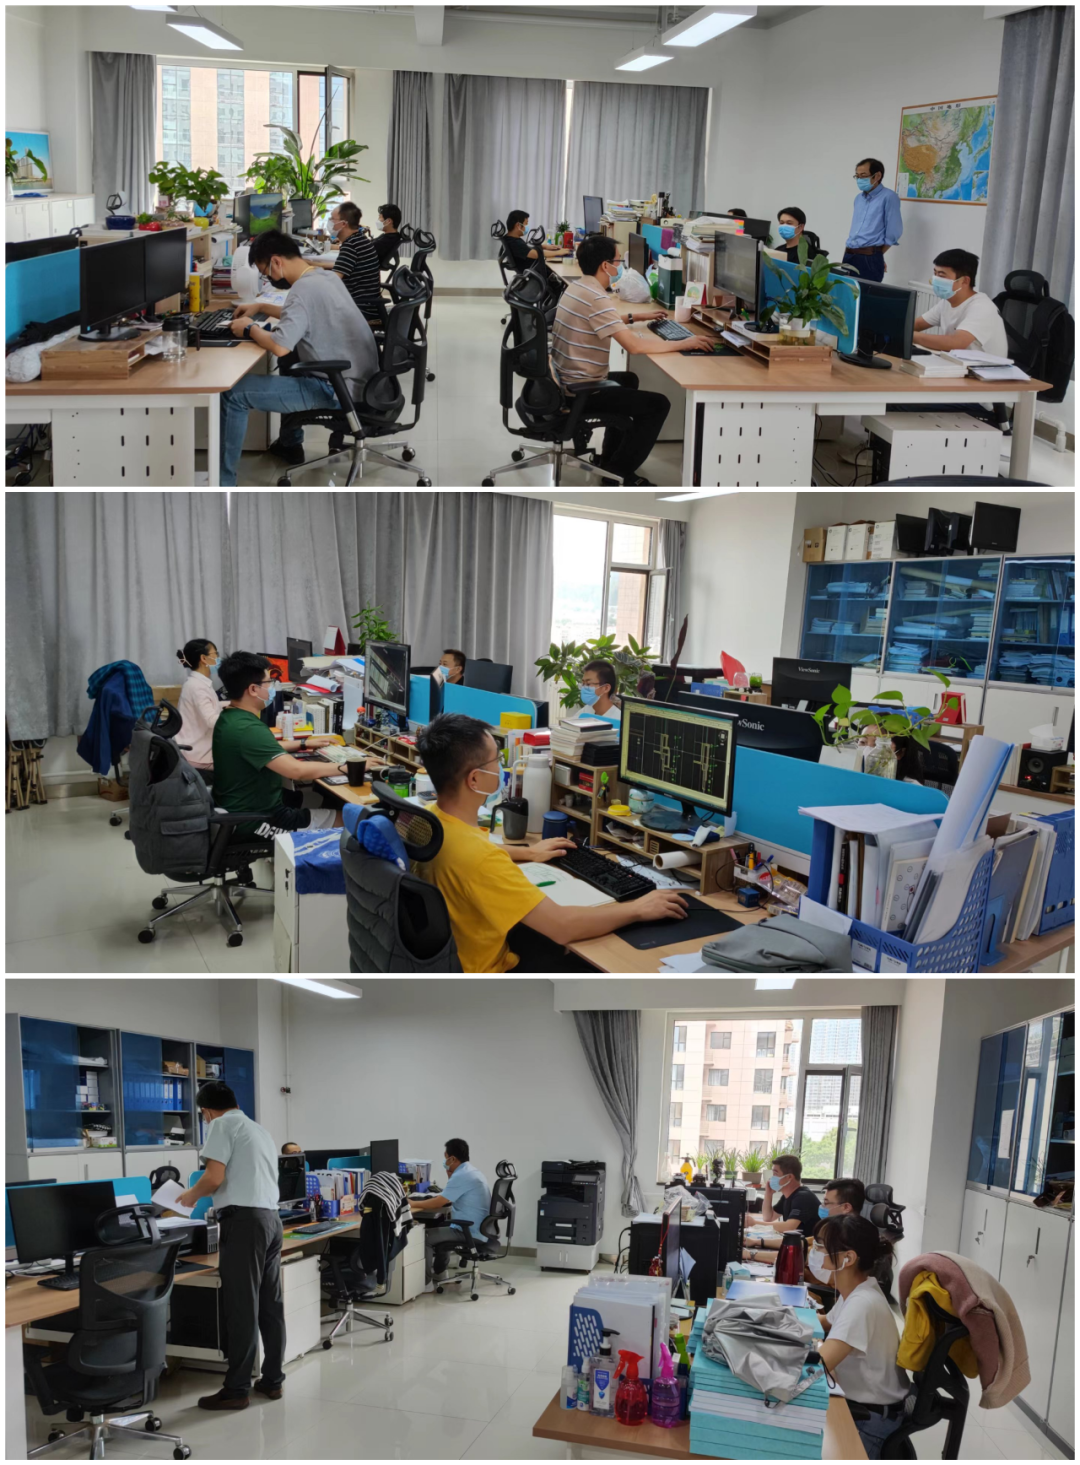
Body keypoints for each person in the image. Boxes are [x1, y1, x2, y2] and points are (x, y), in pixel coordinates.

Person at [415, 713, 687, 972]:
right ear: (475, 779)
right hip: (489, 974)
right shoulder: (481, 860)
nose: (500, 767)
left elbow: (471, 848)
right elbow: (562, 926)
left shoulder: (428, 820)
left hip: (450, 960)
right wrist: (637, 909)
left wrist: (529, 853)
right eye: (496, 759)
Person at [221, 230, 379, 484]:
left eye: (265, 273)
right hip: (363, 381)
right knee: (289, 361)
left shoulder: (302, 290)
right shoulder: (324, 276)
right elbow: (301, 313)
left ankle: (224, 483)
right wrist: (260, 307)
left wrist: (249, 328)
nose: (268, 278)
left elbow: (280, 346)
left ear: (276, 262)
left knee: (233, 393)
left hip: (337, 388)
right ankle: (290, 444)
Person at [177, 1081, 286, 1411]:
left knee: (241, 1306)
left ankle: (236, 1389)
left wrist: (188, 1197)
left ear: (207, 1112)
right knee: (270, 1305)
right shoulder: (259, 1130)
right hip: (271, 1220)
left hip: (244, 1223)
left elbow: (213, 1178)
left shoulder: (222, 1125)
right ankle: (272, 1381)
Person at [550, 233, 689, 487]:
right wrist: (684, 342)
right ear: (605, 265)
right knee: (658, 405)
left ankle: (609, 459)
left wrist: (635, 317)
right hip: (580, 389)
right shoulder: (597, 298)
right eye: (618, 261)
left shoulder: (578, 288)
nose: (620, 266)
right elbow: (634, 346)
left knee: (628, 379)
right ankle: (620, 471)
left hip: (564, 380)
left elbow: (597, 319)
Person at [211, 651, 344, 835]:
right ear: (253, 689)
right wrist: (349, 766)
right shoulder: (248, 729)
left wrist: (303, 743)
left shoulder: (230, 717)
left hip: (241, 807)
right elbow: (297, 771)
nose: (272, 687)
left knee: (316, 798)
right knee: (350, 819)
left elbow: (260, 750)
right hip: (256, 822)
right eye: (269, 682)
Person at [812, 1214, 909, 1458]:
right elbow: (824, 1322)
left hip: (869, 1421)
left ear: (848, 1258)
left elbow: (820, 1365)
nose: (816, 1249)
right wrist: (779, 1315)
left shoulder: (862, 1303)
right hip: (862, 1406)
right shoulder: (859, 1289)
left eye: (822, 1245)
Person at [408, 1137, 492, 1283]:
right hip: (480, 1228)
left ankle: (425, 1283)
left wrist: (412, 1203)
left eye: (445, 1157)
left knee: (424, 1237)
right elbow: (449, 1196)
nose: (444, 1161)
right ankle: (440, 1274)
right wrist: (450, 1177)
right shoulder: (471, 1171)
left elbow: (439, 1202)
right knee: (440, 1226)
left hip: (468, 1230)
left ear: (452, 1158)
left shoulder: (462, 1175)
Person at [912, 249, 1009, 357]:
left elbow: (956, 343)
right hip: (956, 362)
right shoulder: (947, 302)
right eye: (935, 274)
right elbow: (917, 324)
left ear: (965, 281)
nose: (935, 280)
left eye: (942, 276)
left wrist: (910, 335)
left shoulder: (982, 307)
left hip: (983, 367)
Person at [743, 1154, 820, 1260]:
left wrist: (755, 1223)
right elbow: (768, 1217)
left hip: (808, 1252)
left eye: (775, 1174)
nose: (772, 1178)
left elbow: (789, 1227)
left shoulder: (803, 1197)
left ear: (789, 1177)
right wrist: (768, 1194)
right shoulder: (788, 1196)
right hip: (796, 1245)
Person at [317, 201, 382, 320]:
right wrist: (313, 265)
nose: (329, 222)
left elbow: (333, 280)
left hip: (359, 309)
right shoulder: (360, 239)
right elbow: (342, 268)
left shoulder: (351, 245)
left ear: (343, 224)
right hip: (367, 304)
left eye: (332, 219)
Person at [843, 158, 902, 282]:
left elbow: (893, 233)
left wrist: (877, 256)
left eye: (863, 176)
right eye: (857, 176)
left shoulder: (889, 197)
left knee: (866, 293)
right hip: (849, 255)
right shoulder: (858, 198)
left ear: (877, 176)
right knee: (845, 292)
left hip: (869, 257)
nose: (859, 180)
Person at [175, 638, 223, 778]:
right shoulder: (198, 687)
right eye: (215, 654)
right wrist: (237, 718)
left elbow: (210, 705)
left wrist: (231, 704)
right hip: (198, 755)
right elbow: (211, 720)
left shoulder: (196, 683)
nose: (218, 658)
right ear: (203, 658)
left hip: (191, 748)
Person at [502, 209, 564, 274]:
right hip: (535, 273)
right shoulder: (515, 243)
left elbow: (526, 249)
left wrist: (544, 246)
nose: (527, 227)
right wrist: (559, 252)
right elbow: (536, 254)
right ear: (518, 225)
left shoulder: (509, 239)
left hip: (532, 270)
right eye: (526, 224)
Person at [580, 659, 620, 726]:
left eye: (588, 684)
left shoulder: (619, 720)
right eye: (583, 684)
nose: (584, 688)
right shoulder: (586, 711)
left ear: (606, 688)